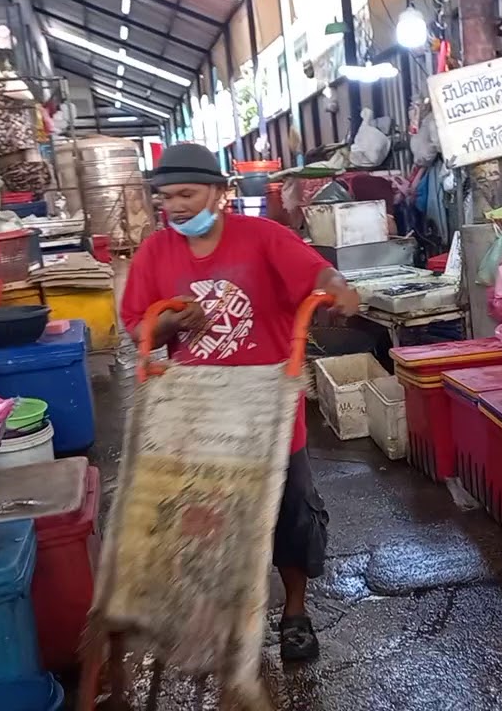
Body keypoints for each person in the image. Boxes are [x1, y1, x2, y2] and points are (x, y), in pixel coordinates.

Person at [120, 143, 360, 663]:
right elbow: (139, 326)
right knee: (207, 523)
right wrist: (169, 323)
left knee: (290, 513)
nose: (177, 206)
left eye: (187, 193)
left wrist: (338, 286)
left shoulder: (264, 237)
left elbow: (318, 275)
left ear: (220, 192)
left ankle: (295, 612)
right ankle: (225, 618)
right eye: (167, 197)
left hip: (268, 413)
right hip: (199, 415)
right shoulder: (154, 254)